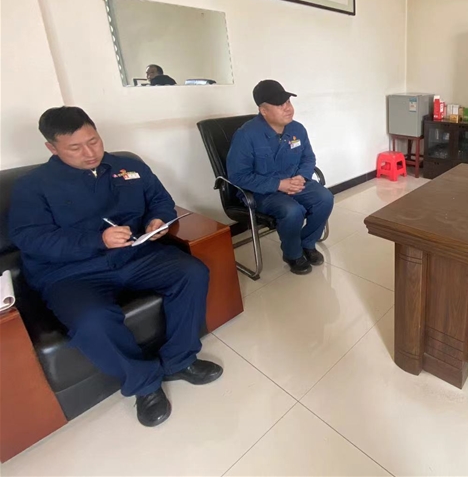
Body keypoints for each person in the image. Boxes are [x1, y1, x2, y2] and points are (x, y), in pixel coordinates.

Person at [8, 107, 222, 427]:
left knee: (192, 273)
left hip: (133, 255)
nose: (89, 153)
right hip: (71, 272)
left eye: (93, 141)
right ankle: (144, 383)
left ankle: (179, 360)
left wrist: (157, 220)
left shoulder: (128, 166)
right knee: (91, 320)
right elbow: (31, 238)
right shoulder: (33, 186)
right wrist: (97, 240)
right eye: (75, 148)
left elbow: (160, 200)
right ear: (52, 148)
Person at [227, 80, 334, 275]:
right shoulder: (246, 135)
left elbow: (308, 158)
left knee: (325, 198)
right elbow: (238, 176)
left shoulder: (297, 129)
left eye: (288, 102)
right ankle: (293, 254)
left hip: (295, 182)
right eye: (279, 104)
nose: (287, 108)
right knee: (292, 211)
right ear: (263, 111)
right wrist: (278, 184)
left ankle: (307, 243)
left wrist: (302, 176)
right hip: (261, 191)